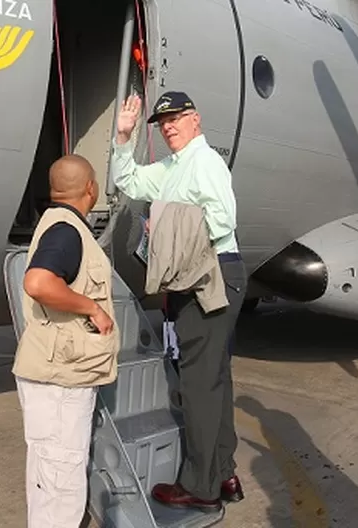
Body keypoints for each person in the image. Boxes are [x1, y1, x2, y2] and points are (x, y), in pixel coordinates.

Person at [110, 91, 246, 512]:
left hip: (211, 275)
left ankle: (200, 487)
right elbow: (129, 181)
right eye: (163, 121)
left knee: (198, 385)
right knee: (213, 380)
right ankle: (223, 474)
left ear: (195, 120)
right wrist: (123, 137)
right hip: (198, 275)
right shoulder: (171, 167)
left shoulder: (204, 162)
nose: (168, 126)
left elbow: (223, 218)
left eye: (176, 118)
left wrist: (164, 224)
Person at [12, 154, 120, 528]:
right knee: (61, 472)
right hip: (58, 377)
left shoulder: (59, 225)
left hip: (57, 369)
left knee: (50, 468)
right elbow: (39, 283)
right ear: (90, 188)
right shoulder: (67, 231)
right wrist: (93, 308)